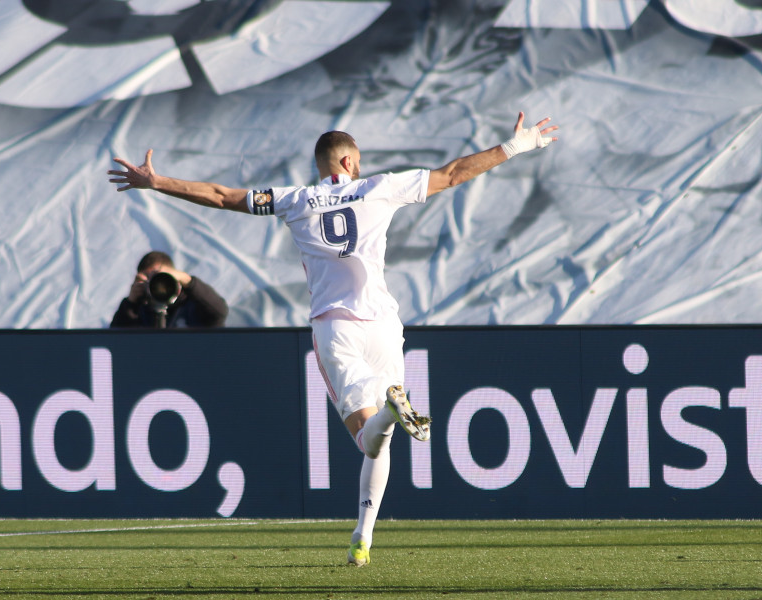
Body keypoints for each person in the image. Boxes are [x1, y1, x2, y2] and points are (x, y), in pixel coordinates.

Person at [108, 111, 558, 565]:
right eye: (357, 161)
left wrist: (158, 181)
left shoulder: (295, 199)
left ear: (323, 165)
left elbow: (224, 196)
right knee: (379, 443)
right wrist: (517, 146)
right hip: (383, 324)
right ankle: (363, 537)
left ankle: (386, 422)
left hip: (336, 328)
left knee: (366, 438)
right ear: (349, 162)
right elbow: (454, 173)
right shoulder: (380, 187)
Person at [110, 250, 229, 329]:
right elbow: (114, 341)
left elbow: (219, 311)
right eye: (149, 279)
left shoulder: (194, 306)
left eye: (162, 277)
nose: (158, 285)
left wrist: (187, 280)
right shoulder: (139, 312)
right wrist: (130, 304)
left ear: (174, 276)